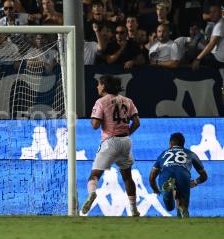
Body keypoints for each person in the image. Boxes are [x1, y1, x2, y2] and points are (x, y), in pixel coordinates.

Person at [81, 75, 141, 217]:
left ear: (104, 86)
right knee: (127, 177)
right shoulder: (128, 101)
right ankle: (134, 210)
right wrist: (127, 133)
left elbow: (95, 125)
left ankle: (92, 194)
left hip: (110, 142)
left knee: (94, 175)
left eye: (99, 84)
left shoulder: (101, 102)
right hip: (125, 141)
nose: (97, 87)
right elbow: (137, 122)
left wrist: (95, 118)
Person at [149, 132, 208, 218]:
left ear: (170, 144)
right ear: (183, 144)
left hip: (166, 174)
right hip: (183, 174)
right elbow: (204, 176)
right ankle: (181, 208)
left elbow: (152, 176)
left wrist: (156, 189)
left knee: (169, 207)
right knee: (183, 206)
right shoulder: (191, 154)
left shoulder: (164, 154)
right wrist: (195, 182)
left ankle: (169, 191)